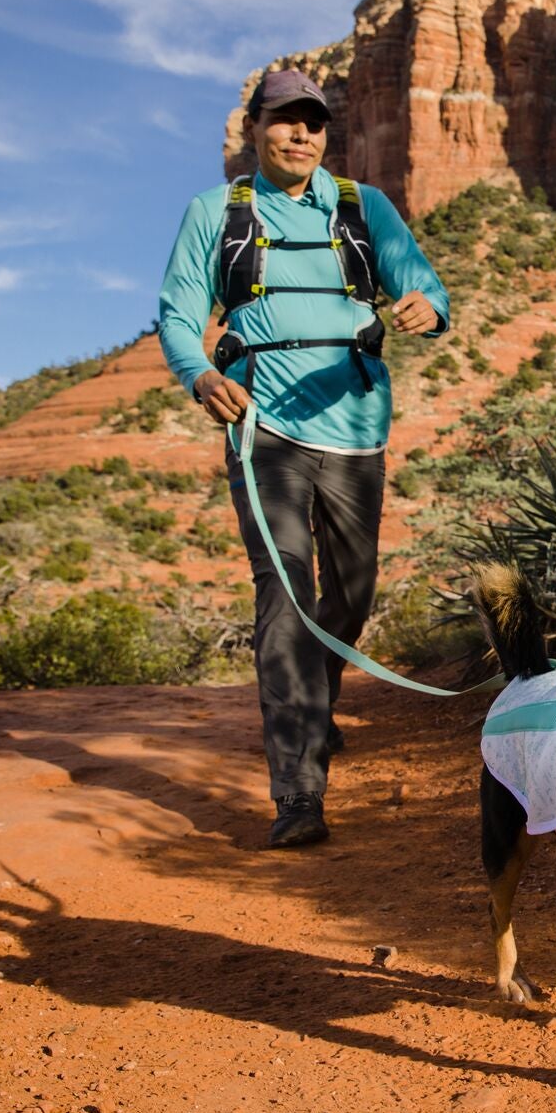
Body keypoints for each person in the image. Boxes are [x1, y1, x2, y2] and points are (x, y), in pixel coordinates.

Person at [158, 69, 450, 849]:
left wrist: (428, 304)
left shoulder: (363, 208)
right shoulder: (215, 213)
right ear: (256, 128)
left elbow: (422, 282)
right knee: (286, 598)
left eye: (313, 123)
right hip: (265, 434)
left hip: (357, 431)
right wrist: (202, 373)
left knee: (351, 595)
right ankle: (297, 791)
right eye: (285, 121)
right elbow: (179, 312)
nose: (301, 135)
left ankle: (316, 703)